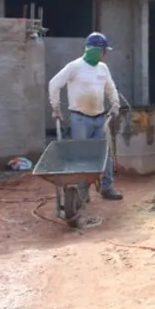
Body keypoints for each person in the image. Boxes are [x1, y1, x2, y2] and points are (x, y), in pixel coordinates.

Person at [48, 32, 123, 207]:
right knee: (83, 157)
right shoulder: (75, 67)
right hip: (80, 118)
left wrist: (115, 103)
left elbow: (110, 88)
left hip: (100, 118)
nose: (105, 55)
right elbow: (54, 83)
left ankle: (107, 187)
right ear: (95, 50)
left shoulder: (103, 68)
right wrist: (56, 107)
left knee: (105, 154)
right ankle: (82, 193)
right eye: (104, 51)